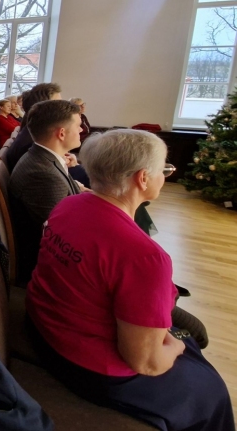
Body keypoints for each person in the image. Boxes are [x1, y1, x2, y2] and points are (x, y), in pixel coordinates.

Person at [26, 130, 234, 431]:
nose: (166, 176)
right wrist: (175, 347)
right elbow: (146, 363)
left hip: (43, 329)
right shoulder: (145, 256)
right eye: (164, 169)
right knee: (210, 390)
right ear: (143, 178)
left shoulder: (69, 204)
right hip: (84, 364)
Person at [9, 100, 83, 286]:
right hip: (52, 270)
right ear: (62, 133)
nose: (81, 130)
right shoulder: (43, 174)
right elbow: (62, 235)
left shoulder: (43, 158)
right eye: (78, 126)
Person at [5, 82, 62, 172]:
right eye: (57, 104)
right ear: (44, 107)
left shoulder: (32, 132)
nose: (61, 108)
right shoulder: (34, 142)